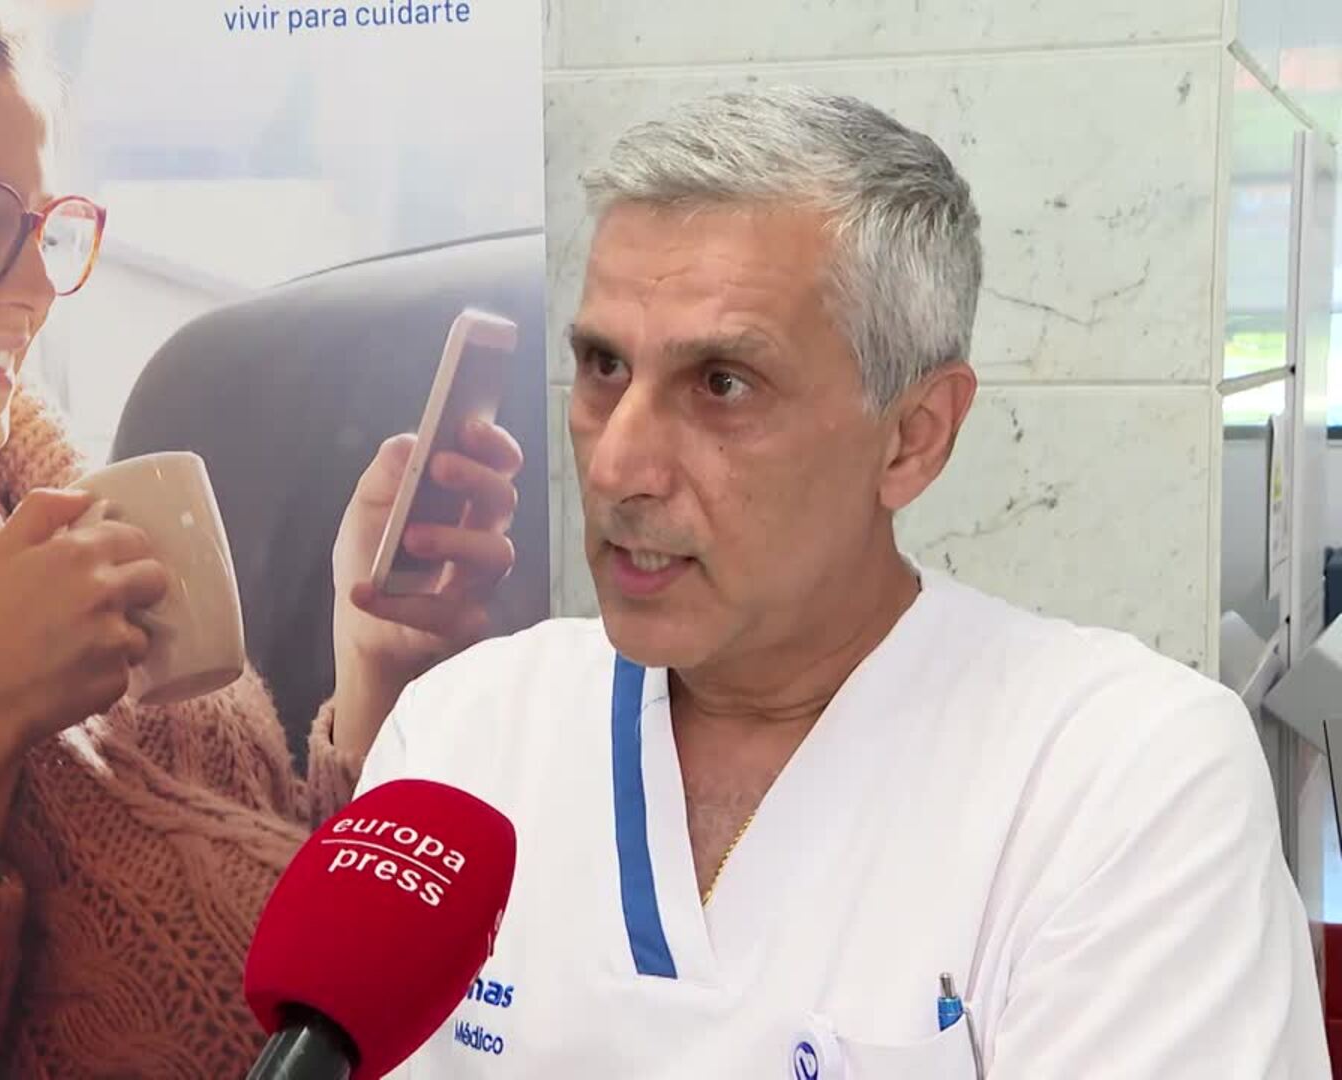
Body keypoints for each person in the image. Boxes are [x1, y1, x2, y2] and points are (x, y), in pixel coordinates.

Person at [353, 86, 1328, 1077]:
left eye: (722, 384)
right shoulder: (460, 737)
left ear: (914, 438)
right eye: (605, 367)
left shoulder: (1125, 781)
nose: (614, 468)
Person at [0, 0, 524, 1075]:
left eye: (45, 229)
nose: (36, 289)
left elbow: (270, 879)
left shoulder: (93, 511)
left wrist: (377, 665)